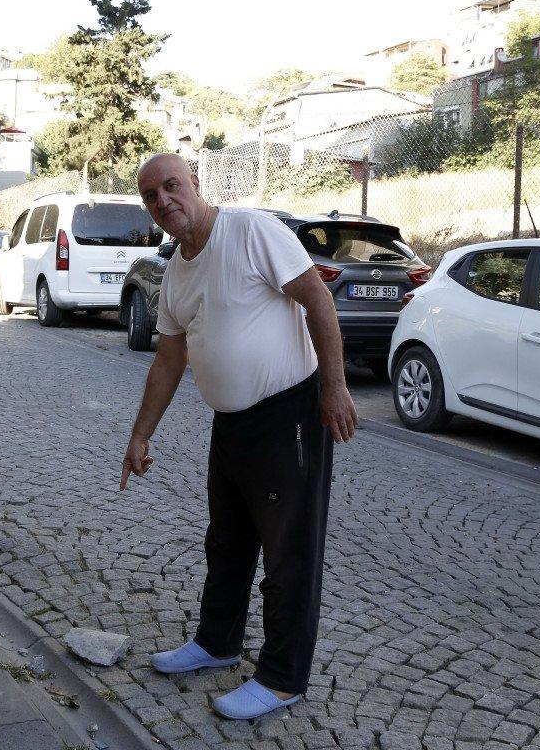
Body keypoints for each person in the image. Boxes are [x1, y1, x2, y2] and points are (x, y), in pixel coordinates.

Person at [120, 153, 358, 720]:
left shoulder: (252, 231)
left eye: (172, 186)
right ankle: (216, 642)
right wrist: (140, 435)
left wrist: (335, 388)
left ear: (196, 183)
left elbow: (318, 301)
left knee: (289, 554)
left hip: (289, 415)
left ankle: (281, 678)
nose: (164, 201)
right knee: (227, 542)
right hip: (231, 426)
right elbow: (169, 357)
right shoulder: (177, 268)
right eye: (152, 196)